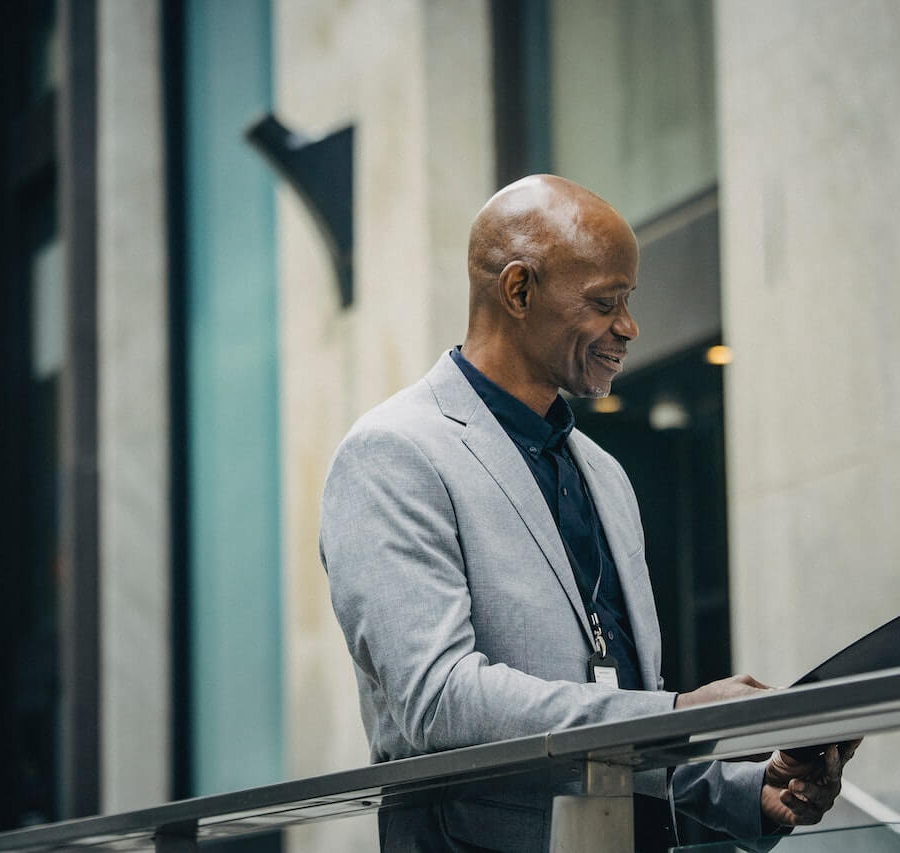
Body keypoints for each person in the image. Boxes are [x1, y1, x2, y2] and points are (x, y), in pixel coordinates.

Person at [319, 174, 858, 851]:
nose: (628, 328)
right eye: (607, 302)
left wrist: (748, 792)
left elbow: (612, 737)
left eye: (628, 301)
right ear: (519, 290)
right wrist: (680, 712)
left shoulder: (604, 473)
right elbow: (439, 699)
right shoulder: (392, 454)